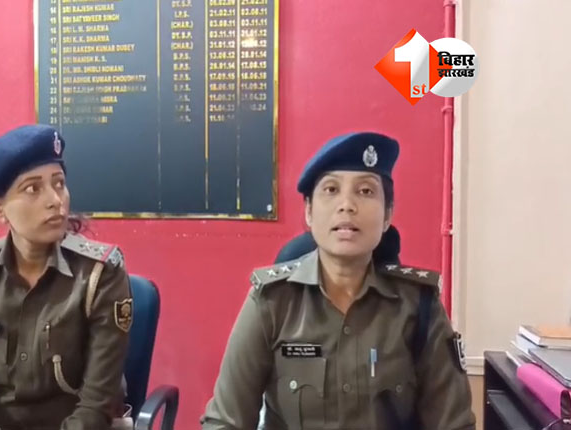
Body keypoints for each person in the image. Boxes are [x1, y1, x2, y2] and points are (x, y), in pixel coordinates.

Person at [201, 132, 475, 430]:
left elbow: (454, 424)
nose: (347, 205)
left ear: (387, 215)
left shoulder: (420, 307)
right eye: (331, 189)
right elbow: (225, 422)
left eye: (366, 191)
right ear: (309, 211)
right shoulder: (272, 301)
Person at [0, 124, 132, 430]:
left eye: (59, 183)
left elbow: (94, 411)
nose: (55, 200)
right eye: (33, 189)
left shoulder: (100, 275)